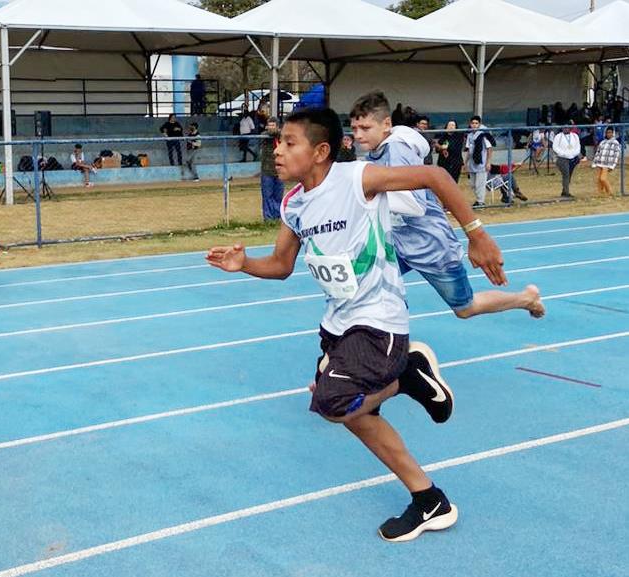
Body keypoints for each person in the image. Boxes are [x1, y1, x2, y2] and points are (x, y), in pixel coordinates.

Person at [207, 107, 509, 542]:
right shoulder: (294, 203)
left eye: (289, 142)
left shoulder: (357, 179)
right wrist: (244, 264)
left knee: (334, 402)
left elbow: (436, 178)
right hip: (338, 323)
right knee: (345, 409)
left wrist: (477, 235)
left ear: (321, 151)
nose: (278, 150)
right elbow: (279, 264)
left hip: (379, 319)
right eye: (278, 142)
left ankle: (407, 379)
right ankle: (429, 499)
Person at [349, 91, 543, 320]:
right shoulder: (376, 152)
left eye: (365, 128)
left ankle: (525, 298)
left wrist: (367, 193)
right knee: (358, 283)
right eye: (354, 129)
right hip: (396, 243)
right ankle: (384, 336)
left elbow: (414, 204)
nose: (358, 135)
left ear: (386, 124)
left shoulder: (396, 152)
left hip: (430, 244)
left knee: (465, 308)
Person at [464, 115, 493, 207]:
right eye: (472, 123)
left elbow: (489, 148)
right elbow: (469, 150)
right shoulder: (470, 135)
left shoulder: (483, 135)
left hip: (481, 162)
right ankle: (482, 194)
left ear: (479, 124)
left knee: (479, 184)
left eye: (476, 123)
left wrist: (488, 162)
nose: (474, 125)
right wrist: (465, 162)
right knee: (473, 184)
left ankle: (480, 202)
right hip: (472, 163)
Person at [259, 116, 283, 220]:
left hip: (280, 171)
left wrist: (278, 133)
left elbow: (281, 134)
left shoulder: (281, 136)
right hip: (267, 170)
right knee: (267, 196)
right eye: (269, 125)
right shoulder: (264, 136)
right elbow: (269, 134)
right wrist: (274, 132)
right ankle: (268, 218)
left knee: (278, 196)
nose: (271, 127)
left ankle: (277, 217)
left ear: (278, 126)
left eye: (273, 125)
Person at [552, 121, 582, 198]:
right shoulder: (558, 136)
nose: (566, 129)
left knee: (569, 175)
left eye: (567, 127)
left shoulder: (575, 136)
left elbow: (578, 146)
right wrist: (564, 154)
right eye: (564, 127)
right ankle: (566, 192)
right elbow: (555, 147)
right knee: (566, 174)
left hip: (573, 158)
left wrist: (573, 154)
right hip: (562, 159)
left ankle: (564, 191)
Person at [592, 126, 621, 197]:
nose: (609, 134)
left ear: (613, 133)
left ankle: (610, 192)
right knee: (599, 179)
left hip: (608, 164)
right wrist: (595, 162)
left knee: (603, 178)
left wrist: (613, 165)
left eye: (610, 132)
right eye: (607, 132)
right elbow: (598, 152)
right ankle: (601, 193)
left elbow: (616, 155)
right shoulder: (602, 142)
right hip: (600, 162)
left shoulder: (615, 143)